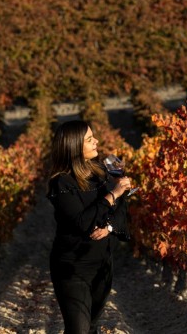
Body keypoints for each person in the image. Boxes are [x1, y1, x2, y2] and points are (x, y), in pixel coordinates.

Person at [47, 120, 132, 334]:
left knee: (91, 327)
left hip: (102, 265)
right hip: (73, 267)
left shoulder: (102, 172)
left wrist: (110, 227)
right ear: (74, 146)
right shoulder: (61, 183)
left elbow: (122, 207)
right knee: (79, 329)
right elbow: (81, 222)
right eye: (89, 139)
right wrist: (113, 194)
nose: (97, 141)